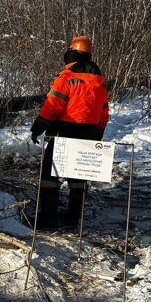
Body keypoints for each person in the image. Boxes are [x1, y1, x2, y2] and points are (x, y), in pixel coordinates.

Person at [30, 36, 109, 229]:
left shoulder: (66, 79)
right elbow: (104, 113)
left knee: (50, 175)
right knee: (79, 177)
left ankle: (48, 218)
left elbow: (52, 106)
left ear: (71, 54)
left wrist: (38, 126)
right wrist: (98, 135)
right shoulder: (99, 83)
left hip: (64, 133)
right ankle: (75, 219)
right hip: (88, 133)